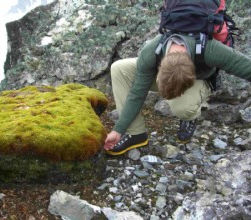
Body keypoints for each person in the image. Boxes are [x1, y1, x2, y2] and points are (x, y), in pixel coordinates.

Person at [104, 33, 251, 155]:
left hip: (200, 80)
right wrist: (119, 130)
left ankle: (190, 115)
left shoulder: (210, 50)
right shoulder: (151, 52)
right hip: (163, 70)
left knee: (182, 108)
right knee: (120, 68)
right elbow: (137, 93)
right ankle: (135, 134)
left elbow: (246, 67)